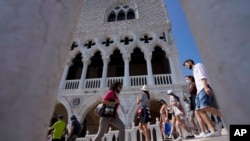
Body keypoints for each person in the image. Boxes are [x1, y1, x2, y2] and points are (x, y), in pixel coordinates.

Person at [183, 59, 222, 138]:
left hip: (203, 89)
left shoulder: (198, 66)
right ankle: (214, 130)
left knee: (204, 107)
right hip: (199, 92)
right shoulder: (194, 70)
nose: (186, 67)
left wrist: (205, 87)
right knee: (199, 110)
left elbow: (203, 76)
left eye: (186, 65)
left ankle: (224, 117)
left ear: (190, 62)